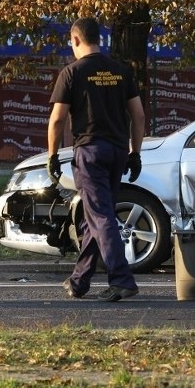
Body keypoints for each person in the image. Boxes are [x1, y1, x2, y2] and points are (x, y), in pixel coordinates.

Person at [46, 17, 145, 301]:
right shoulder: (121, 70)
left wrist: (52, 156)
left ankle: (122, 280)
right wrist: (135, 153)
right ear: (98, 39)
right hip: (116, 152)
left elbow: (57, 120)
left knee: (101, 216)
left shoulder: (72, 72)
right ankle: (79, 281)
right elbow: (138, 116)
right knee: (95, 217)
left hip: (90, 152)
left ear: (76, 40)